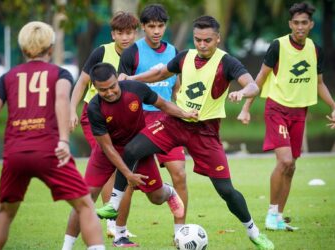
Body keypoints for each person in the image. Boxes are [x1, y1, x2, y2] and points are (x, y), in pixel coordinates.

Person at [100, 15, 275, 250]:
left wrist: (242, 93)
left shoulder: (228, 62)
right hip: (175, 122)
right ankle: (113, 203)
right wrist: (131, 79)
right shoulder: (185, 56)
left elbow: (253, 84)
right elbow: (161, 73)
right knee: (131, 149)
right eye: (197, 40)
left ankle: (253, 231)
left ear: (218, 39)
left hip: (205, 132)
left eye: (207, 40)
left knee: (226, 191)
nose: (202, 45)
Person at [0, 21, 105, 250]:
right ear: (51, 48)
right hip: (50, 151)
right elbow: (61, 99)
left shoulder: (7, 77)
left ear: (22, 49)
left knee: (6, 211)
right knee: (85, 206)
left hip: (15, 152)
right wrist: (63, 139)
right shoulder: (59, 73)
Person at [237, 2, 335, 231]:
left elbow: (319, 83)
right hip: (277, 109)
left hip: (300, 112)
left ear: (311, 24)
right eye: (296, 23)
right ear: (290, 24)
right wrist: (246, 107)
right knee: (285, 161)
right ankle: (271, 214)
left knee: (292, 166)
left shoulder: (315, 49)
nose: (300, 27)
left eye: (305, 23)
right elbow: (259, 78)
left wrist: (332, 105)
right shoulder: (278, 46)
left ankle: (279, 217)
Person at [86, 62, 197, 247]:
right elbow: (107, 147)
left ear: (118, 80)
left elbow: (163, 105)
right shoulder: (94, 108)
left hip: (138, 150)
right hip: (113, 151)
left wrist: (184, 113)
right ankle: (120, 235)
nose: (110, 92)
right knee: (119, 188)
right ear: (95, 88)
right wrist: (127, 173)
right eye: (103, 90)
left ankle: (169, 192)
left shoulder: (136, 89)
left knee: (156, 198)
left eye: (113, 86)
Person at [62, 12, 139, 249]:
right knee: (112, 166)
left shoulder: (138, 55)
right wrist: (71, 110)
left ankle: (114, 224)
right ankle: (113, 225)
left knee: (122, 171)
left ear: (135, 32)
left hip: (122, 120)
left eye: (129, 32)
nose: (125, 37)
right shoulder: (101, 52)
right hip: (94, 117)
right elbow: (83, 82)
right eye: (120, 33)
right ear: (113, 34)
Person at [115, 3, 188, 240]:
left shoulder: (174, 51)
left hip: (167, 119)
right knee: (131, 182)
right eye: (151, 26)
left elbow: (176, 87)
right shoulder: (131, 53)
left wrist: (183, 111)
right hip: (139, 121)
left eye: (160, 26)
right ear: (143, 27)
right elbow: (121, 90)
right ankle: (120, 233)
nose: (157, 31)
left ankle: (181, 234)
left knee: (180, 173)